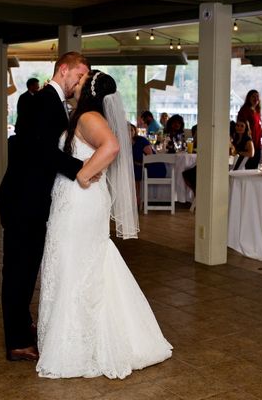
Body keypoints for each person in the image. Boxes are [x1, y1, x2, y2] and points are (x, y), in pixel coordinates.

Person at [36, 70, 173, 379]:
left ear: (89, 91)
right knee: (79, 264)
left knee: (75, 266)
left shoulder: (88, 118)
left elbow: (111, 146)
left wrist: (84, 174)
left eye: (82, 81)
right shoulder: (85, 116)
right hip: (74, 200)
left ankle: (77, 346)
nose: (77, 83)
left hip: (80, 202)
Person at [0, 52, 91, 362]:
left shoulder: (48, 101)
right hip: (24, 201)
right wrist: (80, 168)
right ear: (63, 70)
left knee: (23, 270)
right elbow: (41, 153)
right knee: (19, 272)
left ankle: (21, 328)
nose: (80, 82)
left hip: (29, 199)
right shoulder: (45, 101)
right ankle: (18, 341)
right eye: (78, 75)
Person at [129, 122, 166, 205]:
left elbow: (150, 157)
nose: (129, 132)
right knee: (133, 171)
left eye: (131, 130)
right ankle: (136, 200)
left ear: (134, 131)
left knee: (135, 172)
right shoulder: (125, 143)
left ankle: (137, 201)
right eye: (126, 130)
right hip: (139, 167)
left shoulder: (141, 140)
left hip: (155, 167)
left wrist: (137, 164)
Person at [237, 90, 262, 169]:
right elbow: (241, 127)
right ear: (249, 98)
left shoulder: (257, 112)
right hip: (249, 145)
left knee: (254, 170)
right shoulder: (245, 110)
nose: (256, 98)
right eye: (253, 96)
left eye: (257, 96)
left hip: (257, 145)